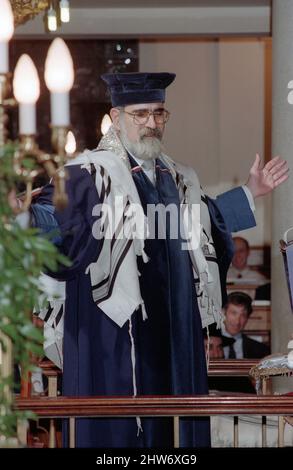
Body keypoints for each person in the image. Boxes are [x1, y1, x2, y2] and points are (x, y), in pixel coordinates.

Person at [30, 72, 288, 448]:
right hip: (114, 340)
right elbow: (54, 218)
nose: (151, 123)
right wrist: (28, 218)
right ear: (116, 118)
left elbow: (207, 220)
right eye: (140, 114)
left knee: (176, 434)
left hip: (176, 336)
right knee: (118, 437)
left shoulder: (178, 177)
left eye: (159, 113)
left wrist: (250, 192)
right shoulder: (89, 175)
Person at [222, 291, 270, 359]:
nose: (237, 321)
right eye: (233, 313)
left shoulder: (261, 350)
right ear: (224, 313)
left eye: (243, 315)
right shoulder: (208, 345)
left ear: (247, 318)